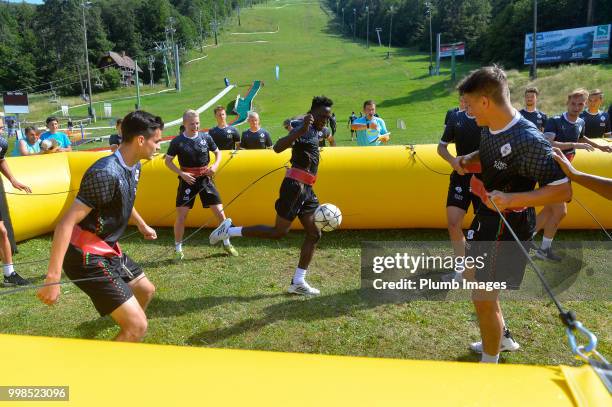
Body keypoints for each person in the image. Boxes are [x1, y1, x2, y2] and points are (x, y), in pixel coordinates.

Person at [456, 66, 571, 363]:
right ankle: (502, 339)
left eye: (469, 105)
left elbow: (562, 191)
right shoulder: (491, 126)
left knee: (483, 298)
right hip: (488, 217)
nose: (467, 112)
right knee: (476, 285)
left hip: (508, 225)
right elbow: (494, 153)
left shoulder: (528, 139)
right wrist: (471, 159)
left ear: (485, 101)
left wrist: (511, 199)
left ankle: (490, 364)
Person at [209, 96, 334, 296]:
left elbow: (324, 131)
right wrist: (299, 130)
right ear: (312, 114)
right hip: (294, 187)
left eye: (328, 117)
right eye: (322, 116)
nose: (325, 120)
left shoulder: (320, 129)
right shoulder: (303, 128)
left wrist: (326, 129)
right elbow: (277, 148)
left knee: (314, 233)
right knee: (278, 232)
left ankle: (298, 282)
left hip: (308, 189)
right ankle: (229, 231)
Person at [535, 89, 611, 261]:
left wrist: (600, 147)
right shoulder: (555, 120)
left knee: (550, 210)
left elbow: (582, 138)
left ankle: (533, 247)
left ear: (584, 105)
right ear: (567, 102)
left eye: (580, 104)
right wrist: (575, 145)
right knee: (560, 211)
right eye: (573, 103)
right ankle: (535, 247)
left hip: (564, 170)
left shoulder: (581, 121)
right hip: (550, 170)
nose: (576, 107)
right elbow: (548, 143)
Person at [165, 110, 238, 259]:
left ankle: (227, 243)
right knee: (181, 216)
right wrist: (182, 174)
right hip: (187, 181)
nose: (195, 126)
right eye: (192, 124)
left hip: (205, 179)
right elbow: (168, 161)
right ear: (185, 124)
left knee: (220, 212)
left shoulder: (206, 137)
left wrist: (215, 167)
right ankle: (178, 249)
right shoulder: (177, 141)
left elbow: (218, 153)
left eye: (197, 123)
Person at [437, 95, 483, 259]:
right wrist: (453, 161)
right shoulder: (455, 117)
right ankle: (461, 266)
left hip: (483, 180)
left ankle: (478, 262)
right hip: (460, 177)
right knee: (453, 223)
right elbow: (441, 147)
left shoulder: (487, 119)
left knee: (483, 226)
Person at [0, 135, 32, 286]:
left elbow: (0, 160)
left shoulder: (1, 143)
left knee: (2, 232)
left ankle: (9, 274)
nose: (2, 131)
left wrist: (12, 179)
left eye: (1, 127)